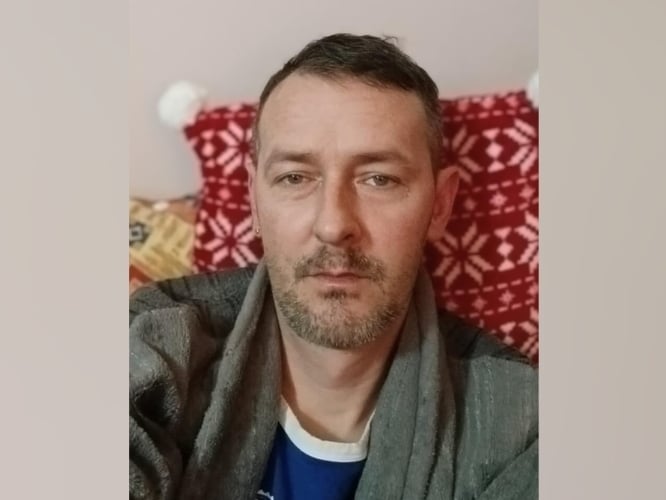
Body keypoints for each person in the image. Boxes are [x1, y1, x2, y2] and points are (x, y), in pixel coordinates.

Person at [130, 33, 538, 500]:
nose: (333, 224)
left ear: (440, 206)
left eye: (379, 179)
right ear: (255, 202)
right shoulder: (157, 341)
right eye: (295, 177)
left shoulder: (518, 422)